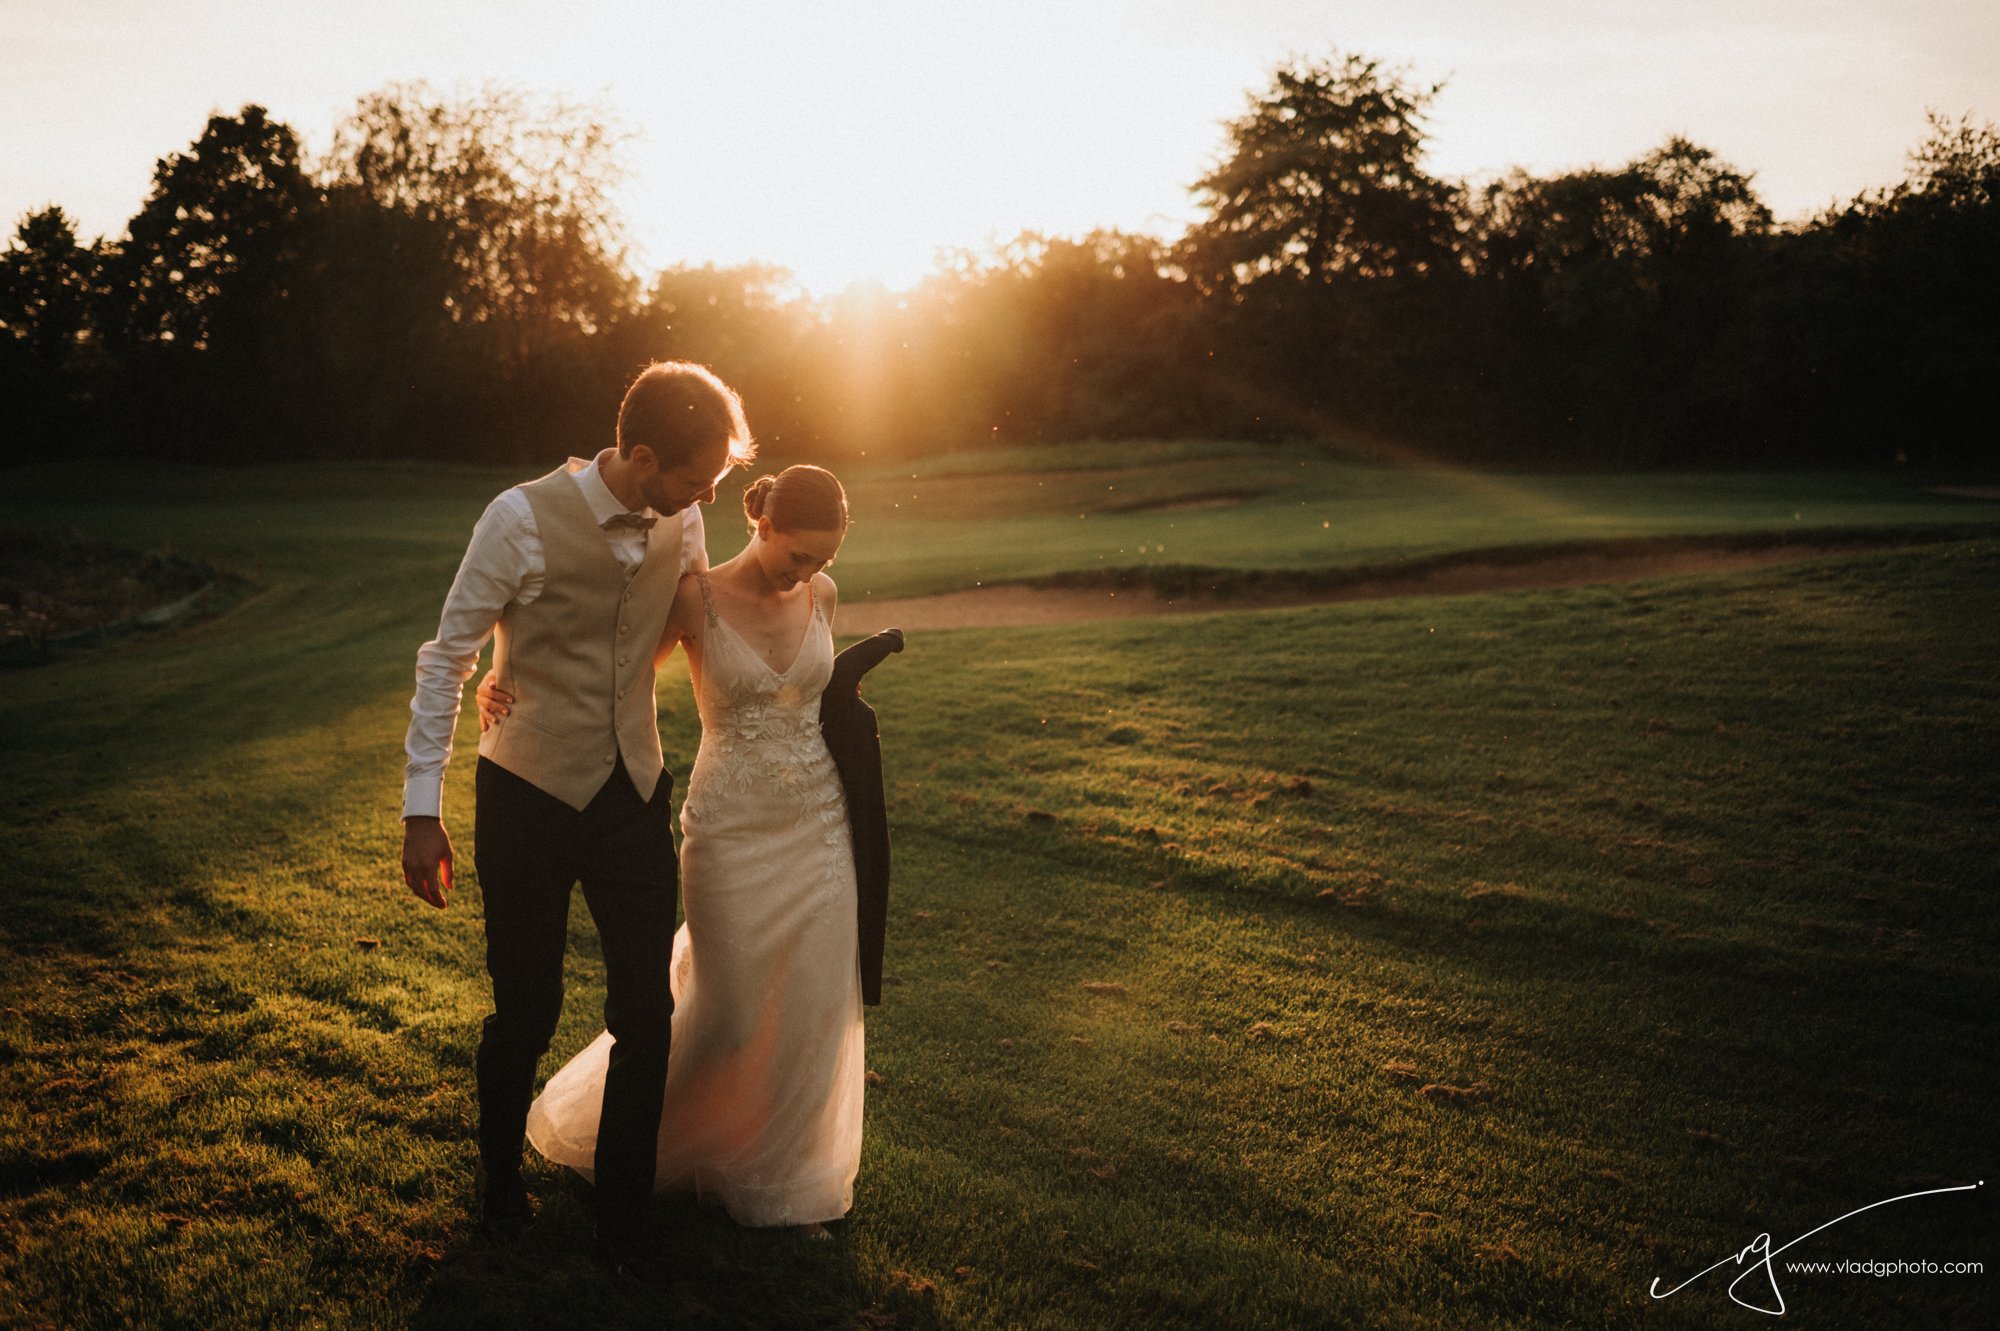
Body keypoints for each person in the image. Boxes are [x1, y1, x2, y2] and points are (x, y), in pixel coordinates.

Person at [398, 361, 753, 1278]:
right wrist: (420, 811)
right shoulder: (517, 518)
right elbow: (448, 660)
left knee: (648, 1009)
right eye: (695, 478)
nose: (706, 494)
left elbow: (694, 621)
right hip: (526, 793)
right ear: (639, 456)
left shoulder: (685, 516)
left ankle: (622, 1215)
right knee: (527, 1006)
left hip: (634, 787)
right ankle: (498, 1185)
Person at [477, 465, 874, 1234]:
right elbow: (616, 672)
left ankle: (780, 1173)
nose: (809, 574)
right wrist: (505, 677)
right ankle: (655, 1141)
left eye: (823, 561)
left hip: (818, 825)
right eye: (799, 556)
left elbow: (822, 701)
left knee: (815, 1003)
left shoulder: (823, 596)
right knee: (724, 1014)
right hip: (727, 826)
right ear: (762, 525)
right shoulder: (695, 598)